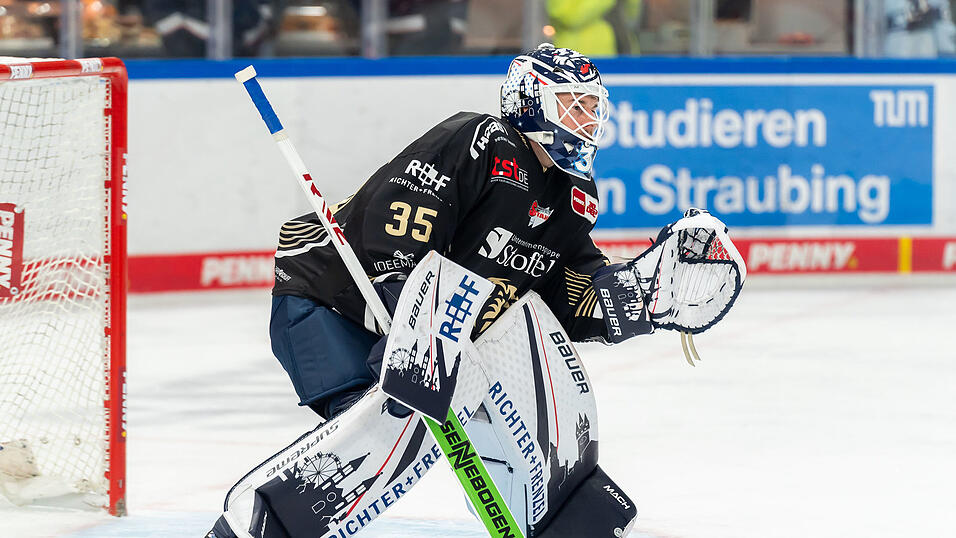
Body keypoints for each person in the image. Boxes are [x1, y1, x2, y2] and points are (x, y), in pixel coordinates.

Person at [268, 43, 617, 422]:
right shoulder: (482, 141)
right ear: (530, 101)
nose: (589, 120)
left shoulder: (575, 196)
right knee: (368, 422)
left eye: (594, 108)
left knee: (400, 422)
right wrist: (415, 329)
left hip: (422, 329)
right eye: (575, 105)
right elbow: (398, 222)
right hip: (329, 292)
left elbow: (570, 293)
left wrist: (644, 294)